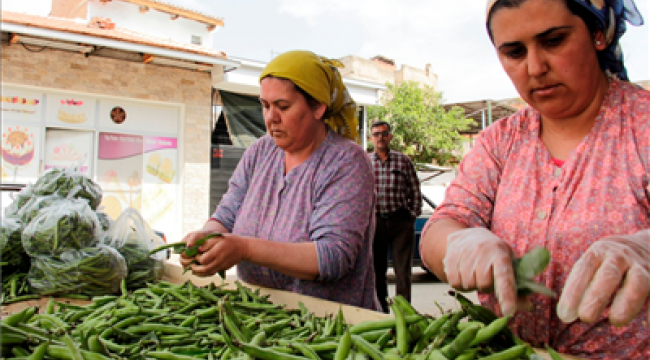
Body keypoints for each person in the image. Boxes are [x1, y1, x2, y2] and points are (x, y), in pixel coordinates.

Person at [419, 0, 648, 358]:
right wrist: (458, 242)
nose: (535, 68)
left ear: (598, 34)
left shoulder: (642, 127)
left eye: (554, 41)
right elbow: (442, 226)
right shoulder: (500, 141)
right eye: (514, 52)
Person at [180, 50, 381, 311]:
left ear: (318, 107)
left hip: (328, 325)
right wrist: (206, 237)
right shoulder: (259, 152)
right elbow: (227, 215)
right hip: (260, 317)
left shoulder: (346, 162)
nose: (270, 118)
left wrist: (244, 248)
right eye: (265, 105)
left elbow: (332, 257)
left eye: (283, 107)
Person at [369, 120, 422, 313]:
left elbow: (414, 189)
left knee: (402, 272)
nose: (380, 137)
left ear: (390, 136)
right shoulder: (366, 161)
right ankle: (381, 311)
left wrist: (412, 216)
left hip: (400, 222)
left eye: (384, 133)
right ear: (371, 138)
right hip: (376, 223)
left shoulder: (403, 161)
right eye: (376, 134)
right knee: (377, 271)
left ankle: (403, 312)